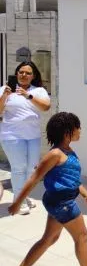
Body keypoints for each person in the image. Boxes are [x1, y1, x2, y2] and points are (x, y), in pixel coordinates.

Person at [3, 112, 87, 266]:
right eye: (77, 127)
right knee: (82, 237)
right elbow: (33, 179)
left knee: (49, 239)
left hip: (59, 201)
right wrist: (17, 202)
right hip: (62, 203)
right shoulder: (55, 154)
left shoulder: (68, 151)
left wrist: (86, 194)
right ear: (67, 132)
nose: (80, 131)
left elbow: (72, 179)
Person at [0, 62, 51, 215]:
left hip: (32, 136)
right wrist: (5, 96)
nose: (24, 75)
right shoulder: (5, 89)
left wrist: (28, 95)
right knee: (18, 168)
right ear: (16, 74)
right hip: (11, 135)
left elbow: (46, 107)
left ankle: (23, 196)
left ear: (33, 76)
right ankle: (18, 200)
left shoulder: (39, 90)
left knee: (31, 169)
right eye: (21, 72)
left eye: (28, 73)